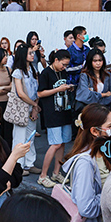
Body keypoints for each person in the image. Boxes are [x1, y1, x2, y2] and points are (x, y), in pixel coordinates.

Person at [37, 50, 73, 188]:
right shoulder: (46, 73)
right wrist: (58, 89)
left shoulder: (63, 72)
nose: (64, 67)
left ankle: (56, 172)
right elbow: (40, 93)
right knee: (55, 144)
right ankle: (43, 176)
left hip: (64, 110)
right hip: (52, 112)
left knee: (63, 143)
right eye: (63, 64)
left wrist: (67, 89)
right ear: (56, 60)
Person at [10, 44, 40, 175]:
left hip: (32, 105)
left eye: (33, 53)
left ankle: (29, 163)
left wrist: (35, 106)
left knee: (31, 136)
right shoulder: (17, 72)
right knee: (19, 137)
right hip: (22, 107)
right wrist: (34, 105)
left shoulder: (33, 69)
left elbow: (38, 90)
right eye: (30, 53)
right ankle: (17, 165)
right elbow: (20, 93)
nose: (33, 55)